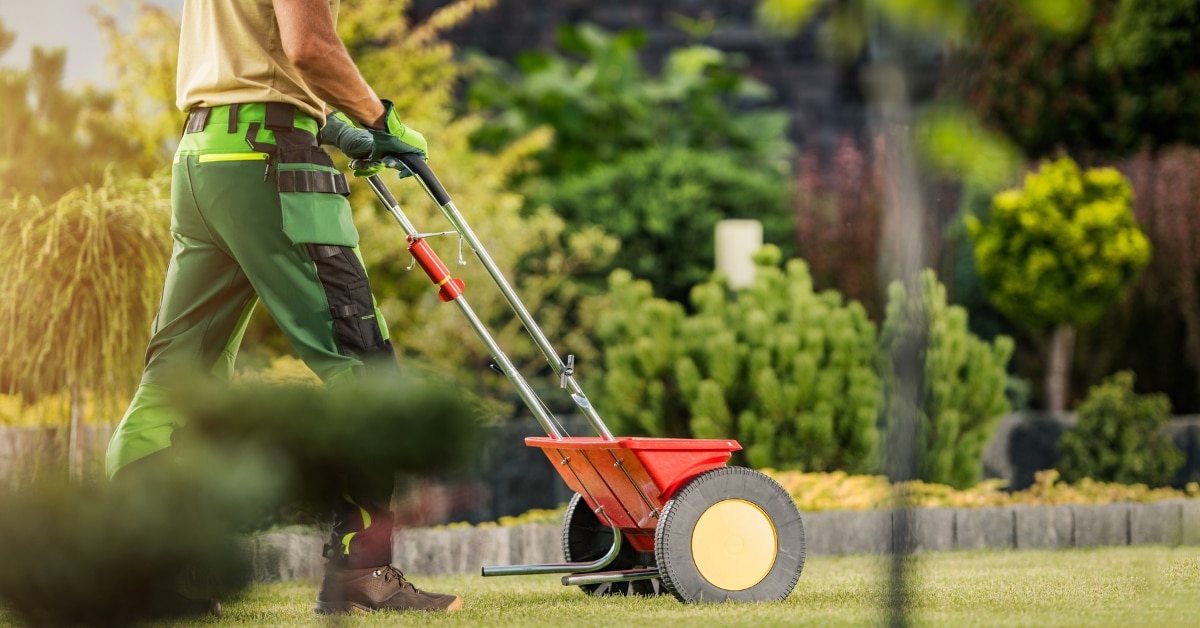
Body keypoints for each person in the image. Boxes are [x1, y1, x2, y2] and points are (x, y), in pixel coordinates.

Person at [103, 0, 462, 614]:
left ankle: (140, 573)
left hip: (202, 159)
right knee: (363, 368)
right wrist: (380, 118)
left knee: (176, 379)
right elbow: (308, 47)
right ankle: (363, 572)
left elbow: (251, 60)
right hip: (272, 160)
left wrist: (334, 127)